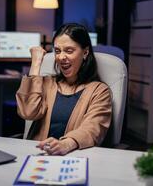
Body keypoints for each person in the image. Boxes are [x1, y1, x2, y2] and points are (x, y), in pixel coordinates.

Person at [16, 23, 112, 155]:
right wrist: (36, 63)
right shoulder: (47, 83)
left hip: (74, 156)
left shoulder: (100, 91)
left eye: (69, 51)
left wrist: (66, 144)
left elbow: (93, 128)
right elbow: (28, 112)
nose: (61, 57)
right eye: (57, 51)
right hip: (38, 155)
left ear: (85, 52)